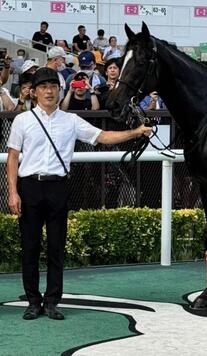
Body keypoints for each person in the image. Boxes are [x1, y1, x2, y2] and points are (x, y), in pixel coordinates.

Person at [6, 67, 152, 321]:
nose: (49, 91)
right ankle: (32, 301)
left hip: (58, 187)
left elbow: (103, 136)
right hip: (29, 187)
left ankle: (52, 301)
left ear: (59, 90)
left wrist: (135, 132)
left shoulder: (70, 120)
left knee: (56, 247)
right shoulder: (22, 120)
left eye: (53, 86)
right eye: (43, 87)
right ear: (34, 92)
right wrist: (12, 192)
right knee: (29, 247)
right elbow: (13, 157)